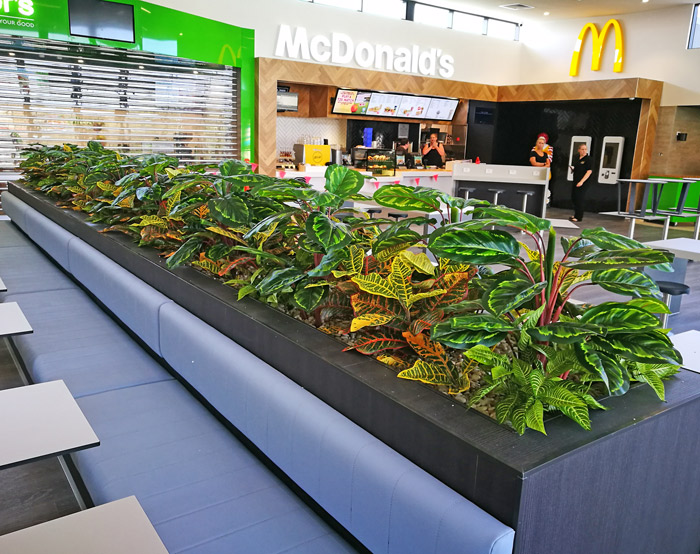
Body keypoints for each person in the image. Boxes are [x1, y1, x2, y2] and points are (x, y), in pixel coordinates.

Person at [569, 143, 593, 222]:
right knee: (574, 197)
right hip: (575, 180)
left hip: (583, 182)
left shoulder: (588, 159)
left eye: (585, 149)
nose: (584, 151)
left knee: (580, 198)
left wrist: (582, 181)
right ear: (579, 150)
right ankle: (576, 214)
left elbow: (589, 172)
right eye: (582, 149)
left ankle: (579, 216)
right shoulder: (576, 157)